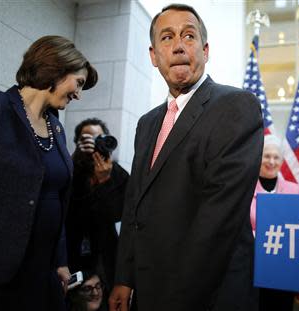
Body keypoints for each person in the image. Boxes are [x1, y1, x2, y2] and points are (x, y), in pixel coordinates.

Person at [108, 4, 263, 311]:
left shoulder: (237, 106)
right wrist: (124, 277)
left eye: (188, 35)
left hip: (206, 296)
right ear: (153, 56)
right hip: (149, 289)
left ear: (205, 50)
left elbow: (218, 218)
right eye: (167, 37)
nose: (178, 45)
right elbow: (135, 202)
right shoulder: (147, 123)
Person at [0, 36, 97, 310]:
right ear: (57, 70)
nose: (79, 94)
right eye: (79, 83)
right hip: (4, 272)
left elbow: (58, 200)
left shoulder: (57, 128)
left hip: (46, 272)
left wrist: (61, 261)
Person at [66, 118, 129, 290]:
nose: (95, 144)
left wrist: (105, 182)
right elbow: (69, 212)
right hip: (72, 250)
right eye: (88, 139)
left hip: (105, 252)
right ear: (78, 143)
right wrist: (75, 162)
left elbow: (118, 214)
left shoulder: (116, 173)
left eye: (99, 138)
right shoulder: (69, 170)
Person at [250, 135, 299, 311]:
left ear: (282, 160)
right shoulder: (245, 189)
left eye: (276, 157)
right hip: (251, 267)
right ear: (258, 157)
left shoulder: (295, 190)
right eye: (266, 156)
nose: (271, 161)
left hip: (283, 269)